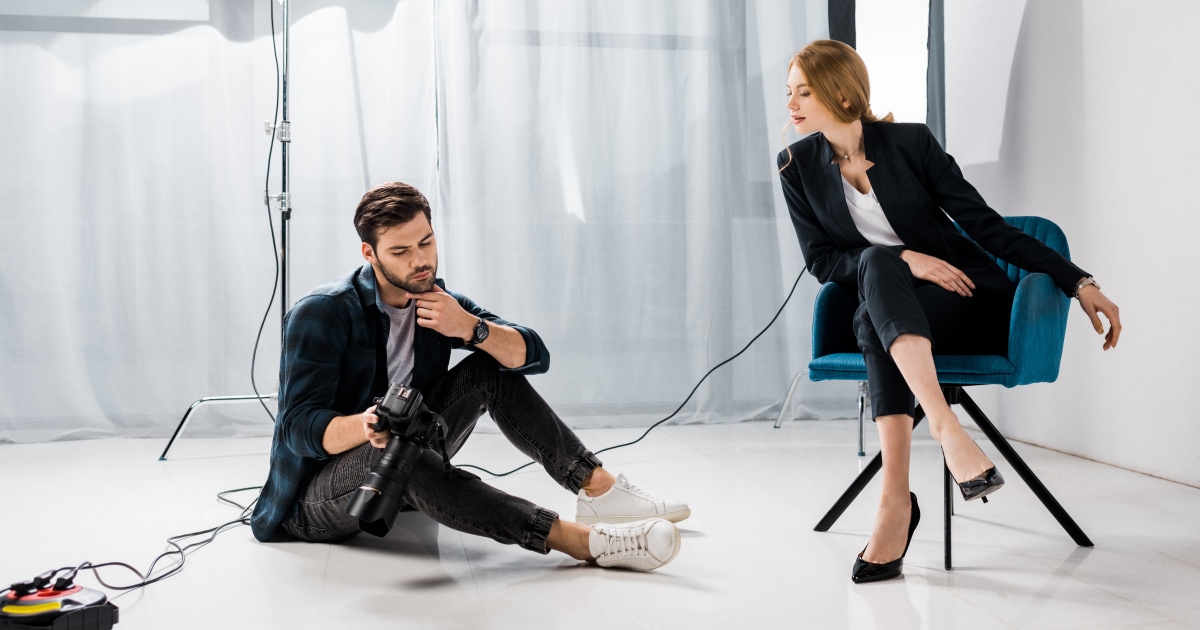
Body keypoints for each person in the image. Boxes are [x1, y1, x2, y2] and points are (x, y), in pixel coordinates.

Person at [776, 40, 1122, 583]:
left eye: (803, 92)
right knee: (875, 283)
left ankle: (901, 493)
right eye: (788, 93)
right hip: (891, 312)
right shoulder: (796, 167)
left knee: (874, 301)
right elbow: (823, 261)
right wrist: (905, 258)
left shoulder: (910, 143)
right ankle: (939, 438)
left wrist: (1078, 280)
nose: (791, 104)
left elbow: (987, 227)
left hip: (963, 302)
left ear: (841, 93)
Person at [250, 182, 690, 571]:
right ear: (369, 253)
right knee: (394, 447)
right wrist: (367, 426)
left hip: (401, 468)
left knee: (486, 365)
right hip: (312, 500)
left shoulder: (438, 302)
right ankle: (582, 543)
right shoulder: (323, 312)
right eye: (401, 252)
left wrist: (471, 329)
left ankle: (600, 491)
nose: (420, 261)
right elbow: (297, 429)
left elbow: (533, 354)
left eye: (426, 242)